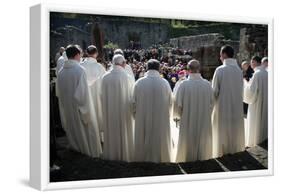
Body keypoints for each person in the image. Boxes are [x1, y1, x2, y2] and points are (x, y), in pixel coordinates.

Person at [56, 45, 102, 158]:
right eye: (80, 54)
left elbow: (58, 93)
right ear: (77, 55)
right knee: (84, 131)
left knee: (73, 129)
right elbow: (83, 95)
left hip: (67, 107)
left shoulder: (61, 72)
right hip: (79, 108)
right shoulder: (80, 70)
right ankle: (87, 151)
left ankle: (75, 147)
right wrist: (87, 112)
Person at [133, 59, 172, 163]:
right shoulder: (164, 83)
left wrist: (135, 115)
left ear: (147, 68)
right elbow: (170, 102)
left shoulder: (139, 83)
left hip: (143, 117)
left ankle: (142, 158)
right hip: (160, 117)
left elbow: (133, 102)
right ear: (159, 68)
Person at [174, 60, 214, 162]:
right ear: (199, 69)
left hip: (187, 119)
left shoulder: (183, 85)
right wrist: (206, 113)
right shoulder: (207, 85)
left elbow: (177, 105)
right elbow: (212, 104)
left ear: (188, 70)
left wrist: (178, 116)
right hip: (203, 118)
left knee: (187, 141)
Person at [212, 45, 245, 157]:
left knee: (222, 127)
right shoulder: (239, 70)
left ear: (225, 55)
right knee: (234, 125)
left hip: (222, 105)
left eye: (220, 54)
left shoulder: (220, 70)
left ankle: (222, 150)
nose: (219, 57)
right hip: (236, 104)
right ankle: (234, 147)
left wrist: (210, 104)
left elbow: (214, 91)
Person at [100, 54, 135, 162]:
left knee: (112, 131)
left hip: (110, 110)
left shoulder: (105, 77)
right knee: (124, 132)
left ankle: (112, 154)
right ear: (123, 63)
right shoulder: (127, 78)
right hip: (124, 112)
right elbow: (132, 97)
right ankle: (126, 154)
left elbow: (101, 95)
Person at [81, 45, 106, 143]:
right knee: (98, 113)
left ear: (87, 53)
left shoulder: (81, 66)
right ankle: (100, 138)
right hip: (98, 95)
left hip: (85, 95)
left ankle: (88, 137)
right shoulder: (99, 67)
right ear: (96, 54)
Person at [244, 56, 268, 147]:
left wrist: (245, 84)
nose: (251, 64)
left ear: (256, 62)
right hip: (265, 101)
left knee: (256, 122)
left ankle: (254, 141)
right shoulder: (266, 73)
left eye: (252, 62)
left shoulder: (257, 74)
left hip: (256, 103)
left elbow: (250, 92)